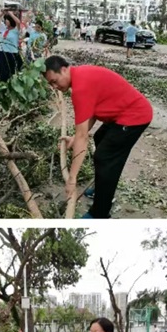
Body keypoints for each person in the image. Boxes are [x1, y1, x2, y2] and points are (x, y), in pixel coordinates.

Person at [43, 56, 152, 218]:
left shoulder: (80, 88)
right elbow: (90, 114)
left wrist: (72, 178)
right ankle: (103, 186)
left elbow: (82, 138)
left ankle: (99, 213)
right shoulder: (80, 77)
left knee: (105, 157)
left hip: (135, 116)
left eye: (55, 81)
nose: (55, 87)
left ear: (64, 69)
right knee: (100, 138)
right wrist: (75, 137)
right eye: (51, 84)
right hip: (121, 112)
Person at [0, 10, 23, 82]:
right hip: (2, 52)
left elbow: (18, 22)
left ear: (11, 21)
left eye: (7, 20)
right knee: (2, 71)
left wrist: (10, 14)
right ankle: (2, 84)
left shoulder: (15, 30)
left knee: (10, 71)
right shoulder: (3, 28)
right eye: (5, 20)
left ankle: (10, 85)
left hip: (11, 53)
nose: (5, 21)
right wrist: (2, 12)